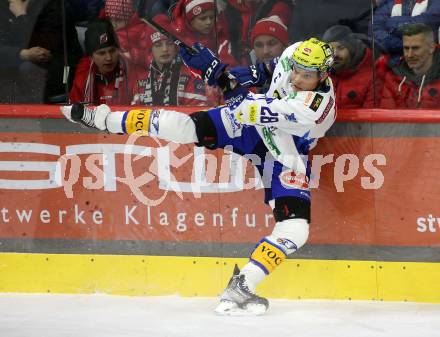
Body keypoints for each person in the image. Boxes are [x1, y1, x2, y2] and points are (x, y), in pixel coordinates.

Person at [61, 37, 335, 315]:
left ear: (323, 75)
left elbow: (243, 108)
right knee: (185, 127)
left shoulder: (314, 108)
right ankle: (102, 119)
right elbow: (264, 71)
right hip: (254, 126)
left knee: (296, 230)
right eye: (296, 70)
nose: (297, 78)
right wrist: (221, 71)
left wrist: (216, 74)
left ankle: (243, 285)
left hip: (283, 152)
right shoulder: (293, 54)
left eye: (307, 75)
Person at [131, 31, 216, 105]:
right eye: (158, 45)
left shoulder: (191, 75)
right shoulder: (141, 80)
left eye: (169, 43)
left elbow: (197, 113)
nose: (164, 49)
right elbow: (134, 115)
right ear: (150, 50)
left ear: (176, 47)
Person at [69, 19, 135, 105]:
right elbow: (74, 112)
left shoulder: (131, 72)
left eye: (112, 51)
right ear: (91, 57)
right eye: (101, 53)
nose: (108, 58)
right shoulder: (82, 79)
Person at [379, 23, 440, 108]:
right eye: (406, 48)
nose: (409, 55)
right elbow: (386, 116)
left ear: (431, 48)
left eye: (415, 48)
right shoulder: (393, 77)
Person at [322, 24, 379, 108]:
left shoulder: (372, 77)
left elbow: (371, 117)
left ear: (351, 48)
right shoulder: (319, 75)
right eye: (330, 50)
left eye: (340, 48)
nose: (335, 54)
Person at [370, 0, 440, 65]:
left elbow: (429, 22)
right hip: (394, 65)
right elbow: (374, 30)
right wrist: (403, 44)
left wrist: (391, 22)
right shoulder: (390, 2)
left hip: (428, 65)